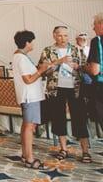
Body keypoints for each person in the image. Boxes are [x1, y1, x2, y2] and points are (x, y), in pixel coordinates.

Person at [38, 26, 91, 163]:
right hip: (56, 88)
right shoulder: (48, 50)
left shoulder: (76, 49)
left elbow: (86, 67)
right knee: (58, 117)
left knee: (79, 117)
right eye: (60, 36)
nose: (63, 38)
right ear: (54, 36)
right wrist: (57, 63)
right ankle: (63, 149)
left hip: (76, 88)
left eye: (66, 36)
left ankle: (85, 151)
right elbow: (42, 71)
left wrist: (78, 67)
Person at [12, 30, 51, 170]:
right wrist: (41, 70)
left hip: (30, 96)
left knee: (26, 126)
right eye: (32, 41)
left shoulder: (21, 56)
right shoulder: (21, 58)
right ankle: (29, 159)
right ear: (27, 42)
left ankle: (25, 154)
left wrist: (41, 70)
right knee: (29, 127)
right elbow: (28, 80)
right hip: (30, 96)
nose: (33, 43)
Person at [87, 13, 103, 126]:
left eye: (94, 24)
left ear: (101, 24)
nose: (93, 28)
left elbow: (94, 70)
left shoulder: (96, 41)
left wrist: (83, 67)